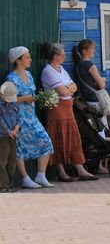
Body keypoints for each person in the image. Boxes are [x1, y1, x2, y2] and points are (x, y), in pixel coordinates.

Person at [40, 43, 98, 182]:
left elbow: (74, 87)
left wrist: (68, 88)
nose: (64, 56)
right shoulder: (48, 70)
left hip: (68, 107)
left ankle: (80, 169)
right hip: (57, 108)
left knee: (73, 138)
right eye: (62, 54)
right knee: (59, 137)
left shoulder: (61, 69)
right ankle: (61, 171)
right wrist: (68, 88)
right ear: (55, 56)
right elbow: (63, 91)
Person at [5, 46, 54, 189]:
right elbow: (7, 99)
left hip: (31, 117)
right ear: (18, 60)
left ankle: (40, 175)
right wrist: (24, 98)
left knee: (45, 141)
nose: (30, 59)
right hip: (18, 118)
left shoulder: (29, 74)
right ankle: (25, 178)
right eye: (27, 57)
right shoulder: (12, 78)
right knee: (19, 147)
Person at [72, 39, 109, 173]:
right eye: (92, 49)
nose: (94, 51)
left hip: (86, 100)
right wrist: (102, 79)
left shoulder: (78, 65)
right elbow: (102, 85)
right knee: (101, 130)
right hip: (95, 100)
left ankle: (97, 164)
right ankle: (100, 165)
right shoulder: (89, 65)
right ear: (85, 50)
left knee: (93, 130)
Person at [0, 82, 20, 193]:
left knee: (12, 160)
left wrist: (17, 127)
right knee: (1, 160)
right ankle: (2, 185)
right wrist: (8, 131)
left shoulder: (14, 104)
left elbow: (18, 116)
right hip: (2, 136)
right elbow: (0, 121)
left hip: (13, 135)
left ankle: (10, 183)